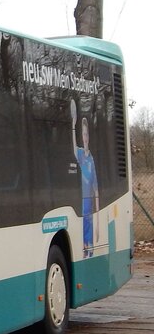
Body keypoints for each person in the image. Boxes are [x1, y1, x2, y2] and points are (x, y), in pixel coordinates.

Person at [71, 102, 99, 257]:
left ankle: (89, 251)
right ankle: (85, 249)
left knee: (89, 225)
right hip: (81, 201)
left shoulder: (91, 158)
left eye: (86, 134)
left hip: (90, 202)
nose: (85, 137)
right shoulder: (80, 154)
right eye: (83, 134)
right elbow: (73, 149)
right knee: (83, 227)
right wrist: (73, 127)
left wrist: (99, 217)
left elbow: (95, 186)